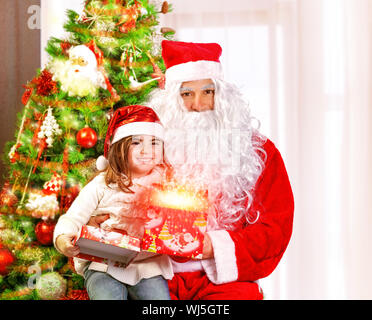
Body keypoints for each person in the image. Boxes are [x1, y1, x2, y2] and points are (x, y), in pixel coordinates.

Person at [89, 40, 294, 300]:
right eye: (187, 94)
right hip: (157, 276)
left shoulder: (258, 152)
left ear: (222, 96)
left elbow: (275, 227)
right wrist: (103, 223)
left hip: (224, 279)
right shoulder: (144, 149)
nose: (198, 104)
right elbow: (115, 198)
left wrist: (213, 247)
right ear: (171, 99)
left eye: (208, 92)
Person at [53, 105, 173, 300]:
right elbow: (74, 217)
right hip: (103, 263)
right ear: (120, 148)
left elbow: (180, 223)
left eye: (154, 142)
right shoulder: (103, 183)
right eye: (136, 142)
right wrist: (63, 239)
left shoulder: (167, 184)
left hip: (147, 265)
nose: (147, 150)